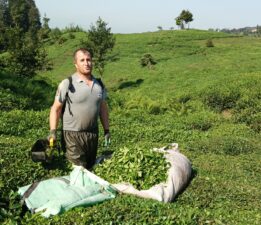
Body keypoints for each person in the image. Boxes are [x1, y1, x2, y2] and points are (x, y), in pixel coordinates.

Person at [48, 48, 110, 169]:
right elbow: (56, 108)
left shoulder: (99, 85)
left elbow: (103, 108)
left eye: (89, 60)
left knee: (90, 168)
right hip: (72, 135)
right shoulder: (68, 83)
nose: (86, 63)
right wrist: (52, 131)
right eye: (82, 60)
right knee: (78, 170)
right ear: (76, 64)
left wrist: (106, 130)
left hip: (92, 135)